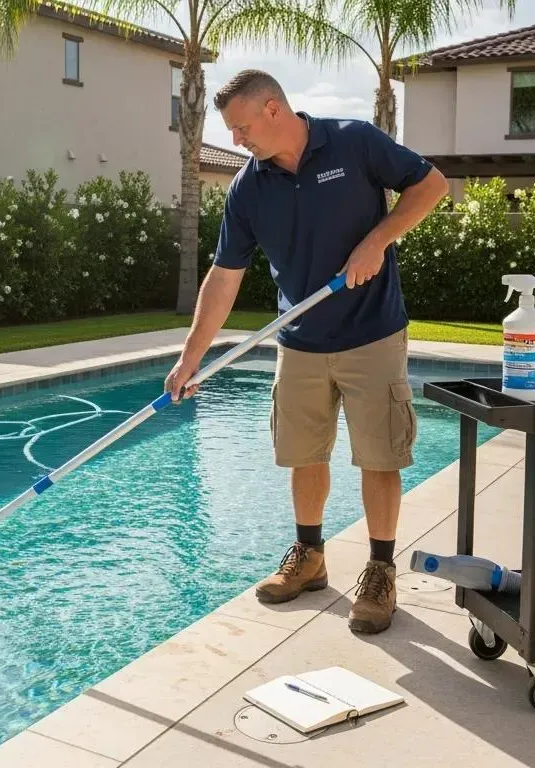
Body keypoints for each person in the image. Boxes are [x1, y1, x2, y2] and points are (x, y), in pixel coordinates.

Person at [164, 69, 448, 634]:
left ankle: (380, 569)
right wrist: (190, 356)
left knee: (379, 456)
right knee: (303, 453)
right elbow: (224, 276)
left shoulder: (353, 140)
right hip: (300, 340)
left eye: (242, 127)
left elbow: (432, 185)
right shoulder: (249, 187)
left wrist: (376, 240)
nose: (238, 140)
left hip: (372, 332)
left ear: (273, 109)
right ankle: (310, 555)